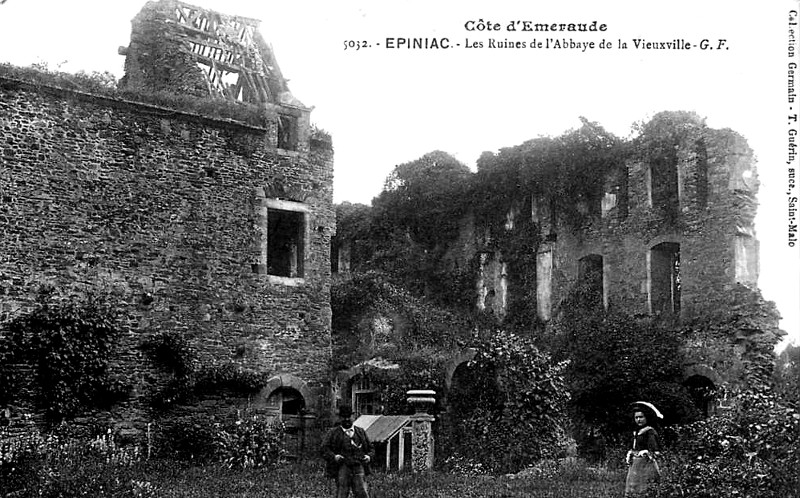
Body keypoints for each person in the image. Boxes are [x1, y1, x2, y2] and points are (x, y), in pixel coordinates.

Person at [321, 405, 374, 498]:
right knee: (342, 493)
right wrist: (334, 456)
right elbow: (324, 449)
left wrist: (368, 456)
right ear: (340, 418)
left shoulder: (360, 432)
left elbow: (371, 449)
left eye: (348, 416)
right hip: (342, 467)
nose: (346, 419)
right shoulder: (333, 433)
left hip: (358, 467)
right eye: (344, 417)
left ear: (353, 417)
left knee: (362, 493)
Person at [624, 401, 663, 496]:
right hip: (635, 465)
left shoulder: (650, 431)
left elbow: (655, 450)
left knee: (645, 488)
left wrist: (646, 452)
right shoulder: (636, 432)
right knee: (633, 487)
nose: (638, 420)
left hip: (646, 464)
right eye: (636, 418)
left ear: (646, 417)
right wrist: (630, 453)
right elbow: (633, 446)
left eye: (641, 417)